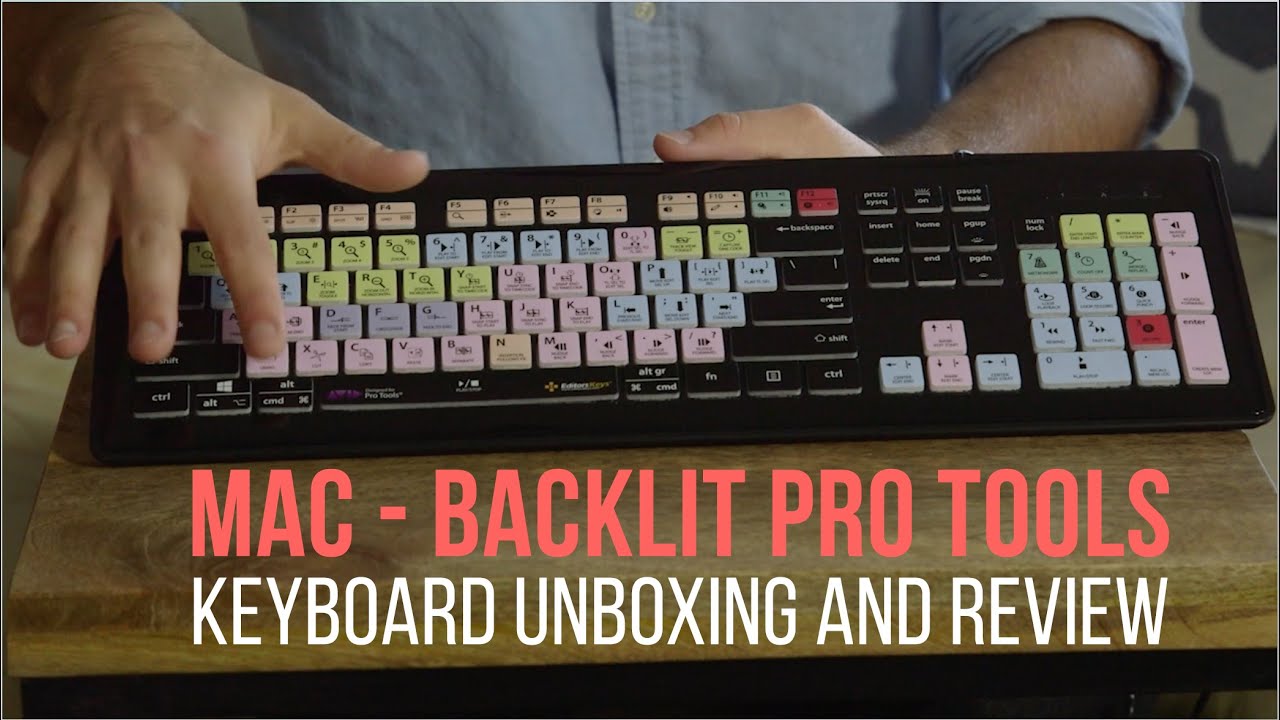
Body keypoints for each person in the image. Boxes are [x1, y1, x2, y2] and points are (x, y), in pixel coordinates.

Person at [2, 3, 1190, 364]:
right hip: (393, 357)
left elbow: (1104, 30)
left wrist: (920, 189)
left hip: (853, 321)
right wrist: (103, 41)